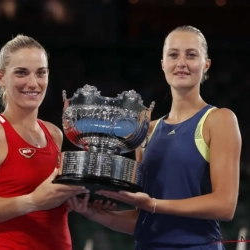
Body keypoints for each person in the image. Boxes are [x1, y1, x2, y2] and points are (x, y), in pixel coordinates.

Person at [67, 25, 242, 249]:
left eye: (191, 55)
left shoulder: (219, 120)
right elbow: (144, 219)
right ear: (163, 64)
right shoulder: (145, 130)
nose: (181, 63)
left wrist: (155, 205)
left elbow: (224, 206)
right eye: (173, 54)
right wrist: (95, 214)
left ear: (205, 64)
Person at [0, 34, 90, 250]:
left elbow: (46, 203)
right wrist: (33, 201)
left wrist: (73, 201)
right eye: (21, 73)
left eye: (41, 73)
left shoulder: (54, 133)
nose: (33, 83)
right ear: (1, 78)